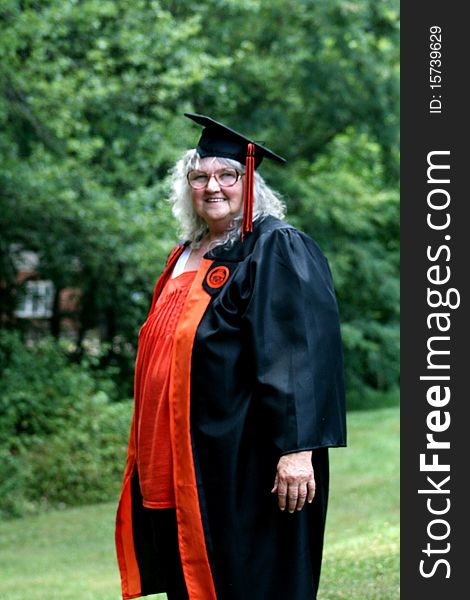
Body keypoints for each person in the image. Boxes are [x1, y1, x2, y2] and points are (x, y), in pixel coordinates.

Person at [115, 113, 346, 600]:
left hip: (244, 460)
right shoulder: (185, 253)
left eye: (226, 175)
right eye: (199, 176)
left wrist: (298, 450)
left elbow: (299, 349)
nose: (212, 187)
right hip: (180, 460)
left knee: (248, 580)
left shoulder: (274, 246)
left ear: (250, 181)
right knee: (193, 581)